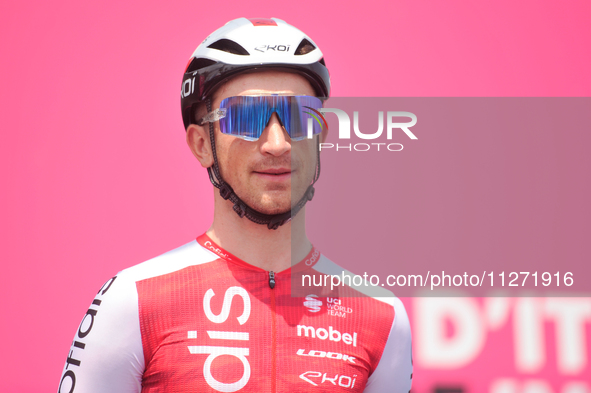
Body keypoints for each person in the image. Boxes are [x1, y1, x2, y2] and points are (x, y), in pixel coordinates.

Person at [58, 17, 412, 393]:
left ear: (320, 136)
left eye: (298, 117)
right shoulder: (133, 301)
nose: (277, 143)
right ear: (201, 145)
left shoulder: (382, 315)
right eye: (247, 117)